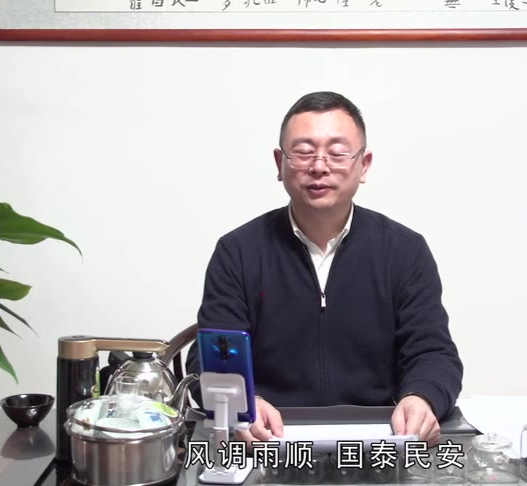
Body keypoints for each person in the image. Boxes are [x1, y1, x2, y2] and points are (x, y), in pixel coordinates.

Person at [186, 91, 463, 445]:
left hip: (378, 441)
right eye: (303, 152)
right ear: (280, 163)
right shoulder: (238, 251)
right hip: (269, 441)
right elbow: (211, 356)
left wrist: (422, 397)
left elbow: (433, 352)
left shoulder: (404, 250)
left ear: (364, 165)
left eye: (337, 152)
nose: (319, 166)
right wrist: (244, 404)